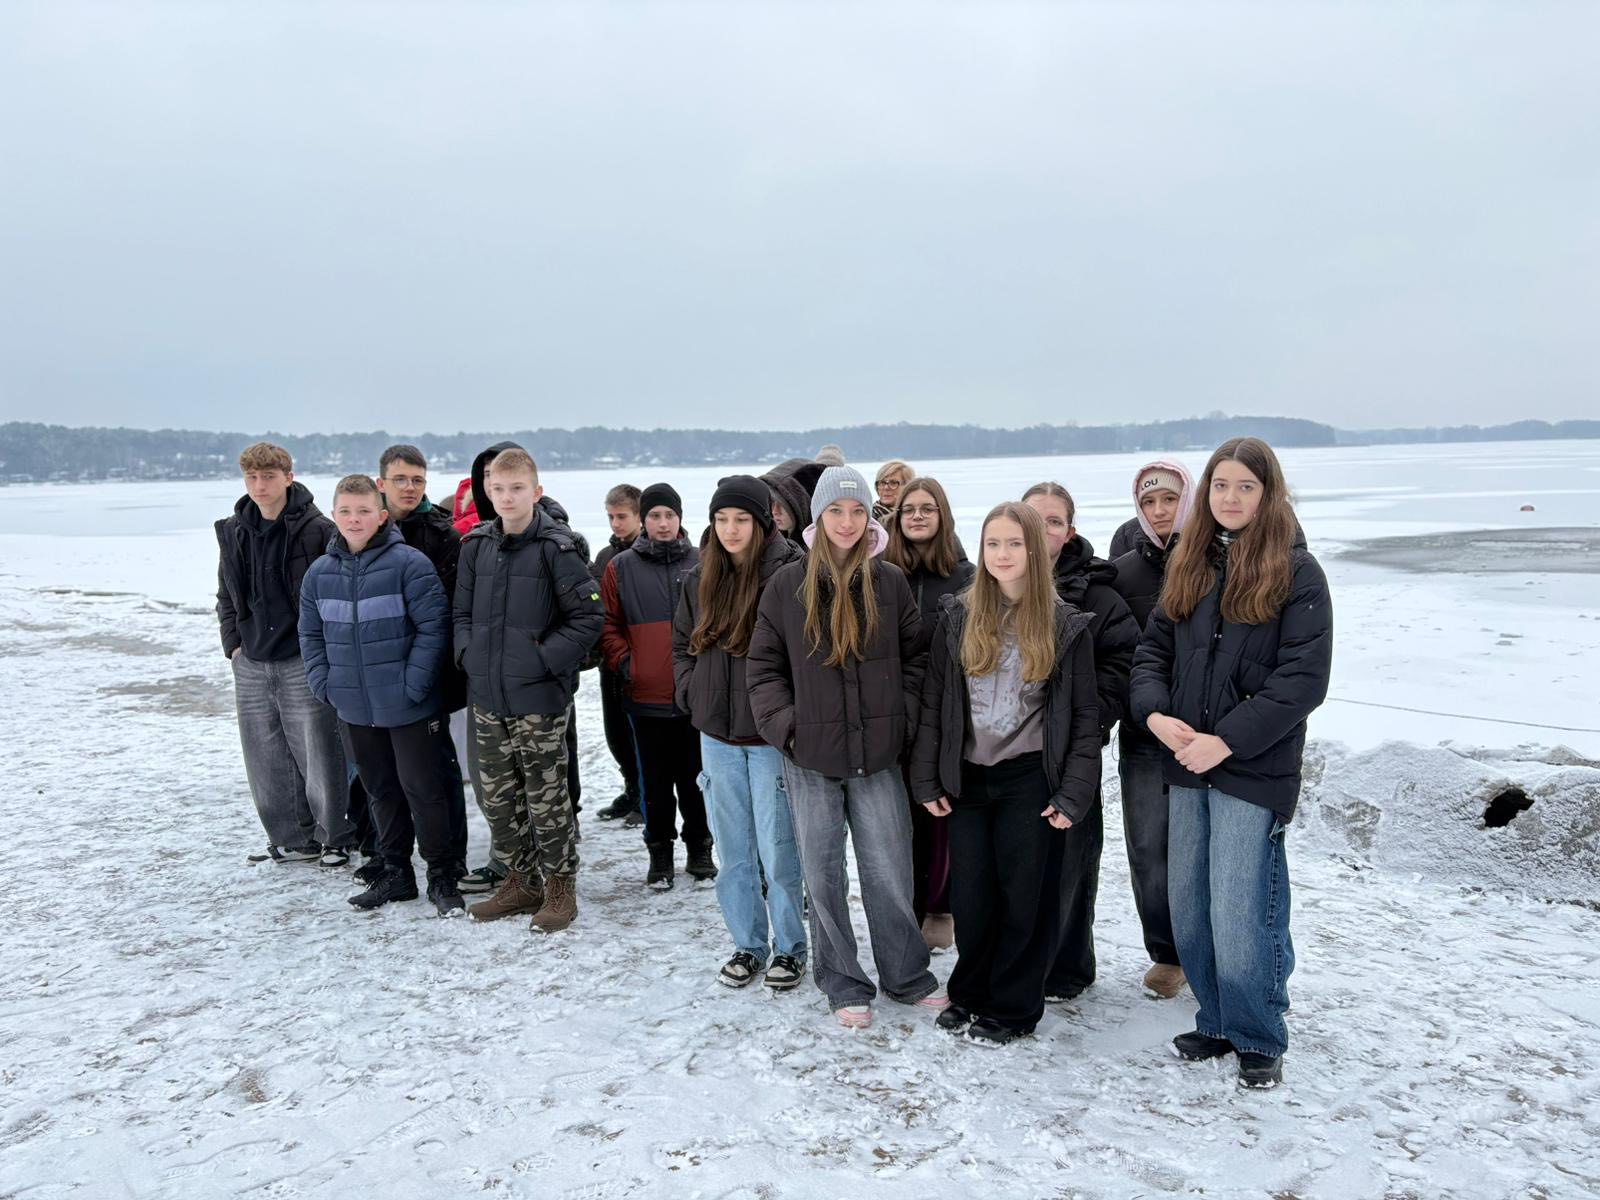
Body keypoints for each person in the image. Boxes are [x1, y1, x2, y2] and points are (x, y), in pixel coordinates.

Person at [1131, 436, 1332, 1090]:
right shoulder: (1190, 564)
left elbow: (1302, 681)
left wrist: (1226, 740)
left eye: (1246, 486)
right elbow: (1152, 654)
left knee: (1243, 908)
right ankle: (1216, 1019)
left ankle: (1256, 1033)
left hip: (1252, 768)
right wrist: (1155, 715)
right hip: (1185, 761)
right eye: (1221, 485)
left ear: (1268, 493)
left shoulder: (1297, 572)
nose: (1232, 498)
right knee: (1191, 905)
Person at [747, 465, 946, 1029]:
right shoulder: (786, 585)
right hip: (810, 757)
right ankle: (842, 981)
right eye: (836, 510)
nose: (848, 521)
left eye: (858, 510)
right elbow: (762, 669)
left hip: (879, 757)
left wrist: (901, 720)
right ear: (818, 517)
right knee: (824, 875)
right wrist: (791, 729)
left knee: (889, 870)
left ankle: (906, 975)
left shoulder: (889, 582)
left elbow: (917, 658)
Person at [910, 502, 1101, 1045]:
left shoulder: (1064, 625)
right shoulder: (958, 616)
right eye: (993, 543)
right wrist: (927, 778)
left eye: (1014, 543)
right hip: (969, 779)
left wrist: (1073, 793)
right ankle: (971, 992)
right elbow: (935, 704)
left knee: (1025, 897)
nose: (1002, 554)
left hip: (1030, 779)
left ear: (1035, 550)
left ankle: (1014, 1008)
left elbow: (1083, 719)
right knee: (973, 897)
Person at [453, 448, 603, 932]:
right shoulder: (476, 546)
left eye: (517, 488)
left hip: (538, 698)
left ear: (536, 492)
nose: (507, 497)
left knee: (546, 795)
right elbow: (460, 614)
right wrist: (469, 655)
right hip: (488, 695)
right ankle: (520, 881)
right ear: (488, 491)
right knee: (498, 796)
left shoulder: (557, 548)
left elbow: (589, 617)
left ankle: (560, 886)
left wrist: (542, 659)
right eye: (498, 489)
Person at [299, 475, 463, 914]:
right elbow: (310, 634)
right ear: (334, 516)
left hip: (409, 705)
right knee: (380, 791)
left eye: (364, 511)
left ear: (382, 515)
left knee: (424, 791)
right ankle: (396, 873)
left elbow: (434, 628)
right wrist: (325, 683)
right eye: (346, 511)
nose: (354, 519)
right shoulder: (319, 573)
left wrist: (414, 684)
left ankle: (443, 875)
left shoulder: (409, 564)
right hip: (354, 705)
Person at [672, 475, 808, 990]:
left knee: (778, 850)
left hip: (770, 739)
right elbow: (682, 643)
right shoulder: (700, 575)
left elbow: (803, 654)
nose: (730, 529)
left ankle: (790, 947)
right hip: (716, 736)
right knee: (733, 852)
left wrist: (788, 718)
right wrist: (691, 692)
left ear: (762, 521)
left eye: (741, 519)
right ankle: (748, 944)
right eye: (721, 519)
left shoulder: (790, 573)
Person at [331, 444, 470, 889]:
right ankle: (383, 854)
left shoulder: (442, 535)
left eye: (417, 480)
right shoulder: (356, 531)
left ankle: (449, 861)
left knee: (434, 776)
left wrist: (420, 677)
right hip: (369, 679)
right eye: (400, 480)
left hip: (426, 678)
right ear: (381, 484)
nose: (409, 488)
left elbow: (445, 615)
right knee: (375, 777)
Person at [1021, 482, 1139, 1003]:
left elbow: (1125, 663)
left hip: (1072, 753)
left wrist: (1085, 720)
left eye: (1053, 521)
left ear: (1069, 531)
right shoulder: (995, 583)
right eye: (1033, 518)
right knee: (1014, 862)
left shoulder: (1097, 596)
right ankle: (1014, 961)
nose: (1042, 529)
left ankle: (1066, 969)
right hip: (1008, 751)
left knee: (1070, 861)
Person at [216, 442, 354, 865]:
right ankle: (292, 839)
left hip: (302, 657)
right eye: (252, 477)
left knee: (318, 752)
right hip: (252, 658)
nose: (260, 485)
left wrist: (326, 653)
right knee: (264, 755)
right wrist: (232, 645)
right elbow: (226, 593)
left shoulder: (319, 530)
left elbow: (334, 593)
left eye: (269, 477)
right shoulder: (234, 530)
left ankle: (334, 837)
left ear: (288, 478)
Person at [1109, 460, 1196, 999]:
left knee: (1202, 847)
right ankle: (1167, 952)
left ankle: (1207, 948)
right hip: (1144, 732)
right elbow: (1121, 652)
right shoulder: (1123, 572)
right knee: (1148, 846)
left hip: (1206, 736)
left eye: (1169, 499)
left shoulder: (1215, 559)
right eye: (1149, 502)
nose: (1160, 510)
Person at [600, 482, 713, 889]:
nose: (663, 523)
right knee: (654, 783)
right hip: (645, 696)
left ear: (680, 518)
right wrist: (629, 664)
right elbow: (608, 625)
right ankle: (659, 852)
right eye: (654, 516)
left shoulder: (703, 562)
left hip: (694, 696)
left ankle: (700, 848)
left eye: (669, 515)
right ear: (644, 520)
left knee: (697, 780)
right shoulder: (621, 567)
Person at [883, 476, 974, 950]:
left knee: (940, 816)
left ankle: (941, 905)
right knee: (896, 821)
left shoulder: (966, 577)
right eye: (909, 509)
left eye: (927, 508)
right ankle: (906, 908)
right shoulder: (882, 573)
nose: (917, 516)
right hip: (892, 714)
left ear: (943, 516)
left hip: (946, 715)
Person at [592, 484, 645, 825]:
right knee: (616, 735)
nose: (615, 524)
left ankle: (645, 796)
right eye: (610, 517)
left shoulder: (646, 555)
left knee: (639, 735)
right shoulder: (604, 557)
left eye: (622, 516)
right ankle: (632, 788)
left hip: (641, 659)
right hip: (609, 660)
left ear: (639, 516)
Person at [760, 458, 825, 547]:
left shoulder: (820, 550)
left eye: (783, 504)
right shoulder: (767, 542)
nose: (775, 511)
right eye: (771, 501)